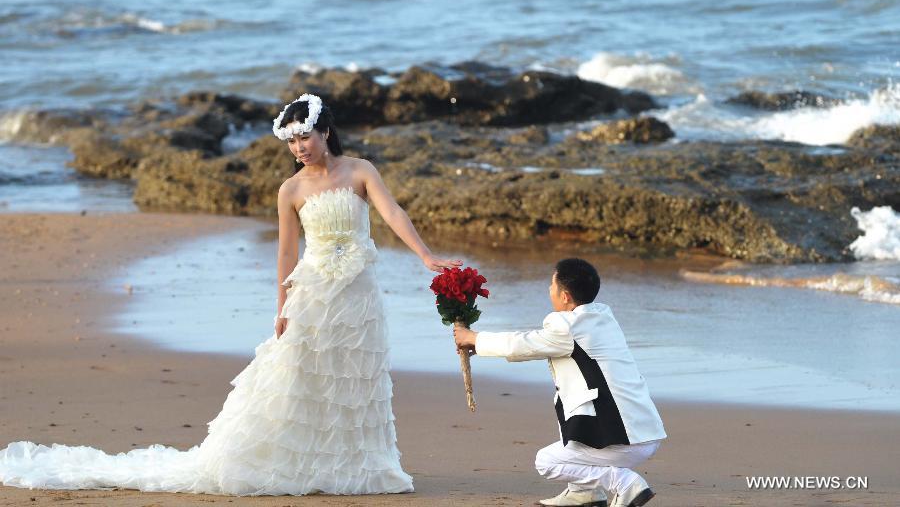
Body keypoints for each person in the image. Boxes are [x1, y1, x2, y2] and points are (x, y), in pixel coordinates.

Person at [0, 93, 462, 496]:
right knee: (304, 374)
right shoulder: (290, 189)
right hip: (314, 290)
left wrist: (424, 256)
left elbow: (393, 212)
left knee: (356, 376)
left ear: (325, 132)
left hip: (359, 291)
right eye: (291, 142)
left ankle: (357, 467)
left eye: (305, 137)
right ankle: (295, 462)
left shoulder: (360, 170)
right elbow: (286, 252)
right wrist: (281, 310)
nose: (299, 148)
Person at [454, 258, 665, 507]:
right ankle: (584, 492)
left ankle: (624, 482)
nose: (548, 290)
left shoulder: (567, 326)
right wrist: (479, 344)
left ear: (565, 296)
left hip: (620, 439)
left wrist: (474, 338)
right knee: (573, 408)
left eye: (551, 285)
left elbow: (524, 342)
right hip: (645, 432)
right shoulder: (602, 319)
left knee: (547, 462)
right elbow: (538, 344)